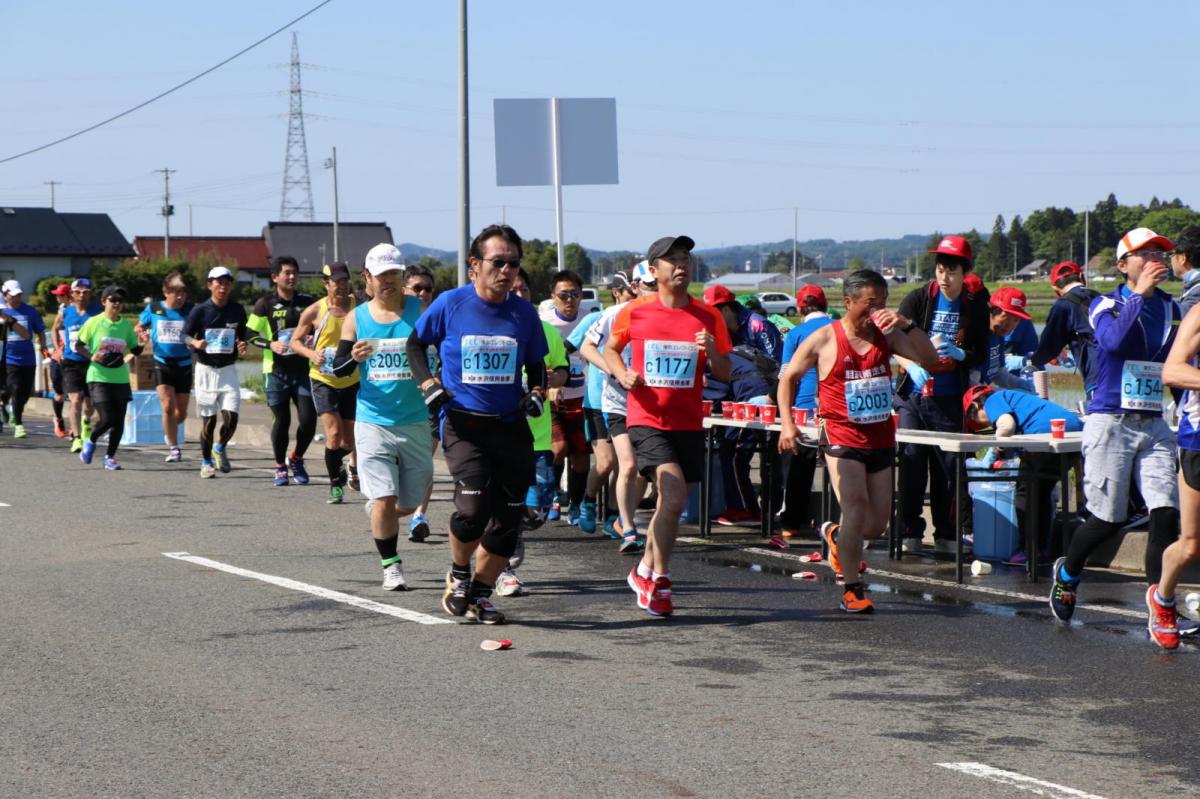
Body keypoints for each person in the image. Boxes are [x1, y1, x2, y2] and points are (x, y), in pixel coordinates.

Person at [408, 225, 548, 624]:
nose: (506, 271)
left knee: (509, 519)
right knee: (472, 509)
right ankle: (457, 575)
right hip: (464, 424)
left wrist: (537, 392)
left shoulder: (523, 313)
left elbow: (536, 362)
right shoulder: (451, 304)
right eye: (497, 262)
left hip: (509, 425)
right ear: (474, 265)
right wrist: (429, 382)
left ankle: (482, 594)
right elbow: (415, 344)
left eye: (513, 264)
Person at [1048, 229, 1182, 643]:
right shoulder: (1105, 304)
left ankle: (1162, 605)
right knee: (1108, 518)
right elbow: (1113, 341)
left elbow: (1176, 362)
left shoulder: (1172, 308)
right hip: (1110, 422)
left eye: (1160, 252)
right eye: (1144, 254)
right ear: (1123, 265)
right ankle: (1068, 572)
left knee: (1165, 512)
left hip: (1154, 422)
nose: (1155, 259)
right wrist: (1139, 294)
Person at [779, 270, 936, 613]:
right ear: (847, 303)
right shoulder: (823, 338)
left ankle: (836, 536)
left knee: (876, 524)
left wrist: (906, 323)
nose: (877, 310)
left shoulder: (888, 334)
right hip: (841, 435)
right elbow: (788, 378)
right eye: (870, 303)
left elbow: (930, 359)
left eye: (882, 302)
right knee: (855, 506)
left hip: (880, 436)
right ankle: (852, 588)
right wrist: (787, 425)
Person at [606, 235, 733, 617]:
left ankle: (643, 570)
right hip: (647, 419)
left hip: (688, 422)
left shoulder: (707, 315)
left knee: (671, 505)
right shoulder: (636, 311)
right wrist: (622, 373)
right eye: (673, 260)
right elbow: (610, 349)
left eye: (686, 260)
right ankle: (660, 580)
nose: (682, 266)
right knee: (674, 494)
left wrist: (711, 349)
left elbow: (725, 372)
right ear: (654, 270)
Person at [326, 244, 433, 591]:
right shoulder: (357, 317)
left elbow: (446, 347)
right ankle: (391, 565)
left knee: (410, 501)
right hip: (372, 419)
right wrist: (353, 357)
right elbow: (340, 370)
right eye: (380, 275)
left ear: (402, 277)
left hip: (415, 419)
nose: (387, 281)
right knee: (386, 500)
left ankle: (378, 510)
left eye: (394, 274)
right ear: (367, 279)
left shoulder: (422, 309)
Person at [893, 235, 989, 555]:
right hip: (914, 395)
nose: (944, 278)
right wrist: (912, 366)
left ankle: (947, 533)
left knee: (948, 468)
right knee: (911, 463)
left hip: (950, 397)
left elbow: (980, 353)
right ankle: (909, 529)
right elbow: (893, 342)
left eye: (951, 271)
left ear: (965, 273)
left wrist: (962, 355)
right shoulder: (918, 299)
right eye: (940, 270)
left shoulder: (974, 308)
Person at [502, 267, 569, 597]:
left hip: (539, 437)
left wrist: (552, 380)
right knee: (506, 503)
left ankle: (513, 530)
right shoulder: (493, 330)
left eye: (523, 290)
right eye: (512, 290)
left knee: (538, 510)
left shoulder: (545, 331)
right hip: (502, 434)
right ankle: (506, 566)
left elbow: (562, 369)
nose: (518, 296)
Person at [963, 385, 1083, 560]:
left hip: (1043, 436)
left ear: (976, 405)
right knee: (1041, 492)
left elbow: (1006, 426)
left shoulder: (993, 400)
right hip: (1072, 435)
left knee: (1025, 494)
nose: (984, 423)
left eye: (975, 417)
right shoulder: (1017, 399)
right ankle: (1040, 549)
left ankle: (1028, 549)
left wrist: (995, 448)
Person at [581, 265, 653, 553]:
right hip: (617, 401)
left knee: (643, 471)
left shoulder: (668, 314)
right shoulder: (615, 314)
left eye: (658, 285)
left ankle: (622, 518)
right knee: (627, 464)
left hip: (650, 403)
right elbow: (587, 347)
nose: (655, 291)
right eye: (649, 285)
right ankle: (626, 527)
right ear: (635, 286)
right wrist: (615, 371)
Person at [572, 271, 638, 538]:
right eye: (629, 293)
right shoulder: (597, 317)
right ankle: (588, 500)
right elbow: (571, 347)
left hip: (631, 401)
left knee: (627, 463)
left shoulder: (646, 316)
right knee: (606, 462)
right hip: (599, 399)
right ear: (616, 292)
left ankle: (613, 516)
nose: (634, 298)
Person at [290, 262, 360, 504]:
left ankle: (335, 461)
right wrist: (311, 354)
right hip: (323, 379)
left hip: (351, 380)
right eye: (335, 282)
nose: (341, 286)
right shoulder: (314, 311)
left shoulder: (359, 307)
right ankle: (335, 485)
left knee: (349, 442)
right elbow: (295, 341)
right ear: (326, 283)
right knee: (333, 433)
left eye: (344, 281)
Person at [248, 256, 318, 487]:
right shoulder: (265, 304)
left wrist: (312, 338)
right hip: (275, 371)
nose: (291, 277)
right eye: (286, 273)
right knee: (282, 420)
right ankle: (279, 466)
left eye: (294, 273)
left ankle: (296, 458)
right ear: (275, 277)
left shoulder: (308, 302)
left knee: (308, 421)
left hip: (304, 371)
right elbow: (250, 335)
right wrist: (270, 344)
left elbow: (322, 328)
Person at [1159, 286, 1200, 650]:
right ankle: (1163, 598)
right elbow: (1172, 371)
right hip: (1198, 438)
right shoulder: (1199, 314)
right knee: (1190, 546)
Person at [777, 285, 834, 536]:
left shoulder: (796, 334)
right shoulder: (839, 328)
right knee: (840, 469)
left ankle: (792, 523)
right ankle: (838, 521)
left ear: (800, 309)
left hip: (804, 408)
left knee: (799, 470)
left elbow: (785, 376)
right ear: (826, 306)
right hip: (836, 407)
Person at [184, 266, 250, 479]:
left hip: (228, 370)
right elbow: (183, 335)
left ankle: (220, 448)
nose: (223, 286)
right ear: (210, 285)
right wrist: (195, 342)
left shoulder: (237, 309)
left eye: (227, 282)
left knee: (231, 417)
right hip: (205, 370)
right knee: (209, 421)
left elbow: (242, 335)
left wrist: (242, 345)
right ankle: (206, 462)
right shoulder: (200, 310)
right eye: (218, 282)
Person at [540, 270, 592, 525]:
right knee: (558, 449)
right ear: (553, 297)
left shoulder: (589, 319)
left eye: (575, 294)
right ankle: (553, 497)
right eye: (564, 295)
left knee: (581, 456)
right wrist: (549, 385)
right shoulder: (546, 322)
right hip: (553, 397)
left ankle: (576, 503)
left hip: (582, 396)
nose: (570, 300)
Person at [74, 285, 143, 469]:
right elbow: (78, 345)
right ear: (104, 302)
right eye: (113, 300)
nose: (117, 304)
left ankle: (110, 457)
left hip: (120, 377)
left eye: (120, 301)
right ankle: (91, 440)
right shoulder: (94, 322)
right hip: (98, 377)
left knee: (118, 422)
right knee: (107, 419)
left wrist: (142, 343)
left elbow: (134, 349)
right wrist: (92, 356)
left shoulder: (125, 325)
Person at [135, 272, 194, 462]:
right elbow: (138, 327)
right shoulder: (153, 308)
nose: (180, 298)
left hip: (184, 364)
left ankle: (170, 430)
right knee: (167, 406)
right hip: (162, 362)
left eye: (183, 293)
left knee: (181, 413)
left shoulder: (190, 310)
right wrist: (142, 334)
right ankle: (174, 447)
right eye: (176, 293)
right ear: (165, 292)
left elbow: (201, 330)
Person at [402, 264, 438, 539]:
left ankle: (419, 516)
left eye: (428, 288)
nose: (423, 293)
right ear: (405, 289)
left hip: (433, 401)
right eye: (417, 288)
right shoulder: (396, 320)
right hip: (399, 404)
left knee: (425, 461)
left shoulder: (440, 319)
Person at [1030, 261, 1099, 400]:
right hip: (1127, 373)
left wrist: (1032, 361)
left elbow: (1049, 347)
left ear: (1055, 289)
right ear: (1082, 277)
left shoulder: (1064, 305)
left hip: (1098, 377)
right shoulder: (1102, 297)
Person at [50, 278, 101, 453]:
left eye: (85, 292)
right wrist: (58, 349)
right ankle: (77, 438)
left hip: (91, 361)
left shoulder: (97, 312)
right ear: (72, 294)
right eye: (78, 292)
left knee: (89, 405)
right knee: (75, 400)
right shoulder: (66, 312)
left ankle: (86, 423)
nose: (81, 295)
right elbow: (55, 329)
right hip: (70, 362)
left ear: (90, 294)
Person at [0, 280, 46, 439]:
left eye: (19, 295)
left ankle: (10, 408)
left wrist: (44, 346)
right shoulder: (2, 313)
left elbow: (39, 330)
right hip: (8, 358)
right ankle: (19, 424)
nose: (17, 298)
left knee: (25, 393)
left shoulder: (30, 312)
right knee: (15, 388)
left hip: (28, 358)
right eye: (13, 296)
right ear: (5, 296)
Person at [703, 284, 783, 361]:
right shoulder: (717, 328)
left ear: (726, 310)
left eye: (711, 312)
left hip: (766, 373)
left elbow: (776, 362)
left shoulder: (760, 326)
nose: (708, 317)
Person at [1169, 226, 1200, 317]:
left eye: (1172, 254)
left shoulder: (1197, 290)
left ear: (1182, 258)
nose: (1171, 258)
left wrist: (1147, 292)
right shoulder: (1193, 284)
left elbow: (1181, 317)